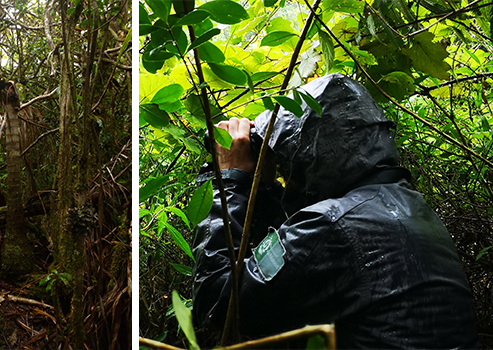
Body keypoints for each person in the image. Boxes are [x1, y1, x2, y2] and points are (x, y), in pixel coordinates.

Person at [191, 73, 479, 348]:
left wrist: (230, 179)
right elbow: (299, 253)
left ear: (313, 154)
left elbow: (217, 300)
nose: (287, 176)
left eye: (288, 164)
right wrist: (262, 185)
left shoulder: (335, 225)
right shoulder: (407, 207)